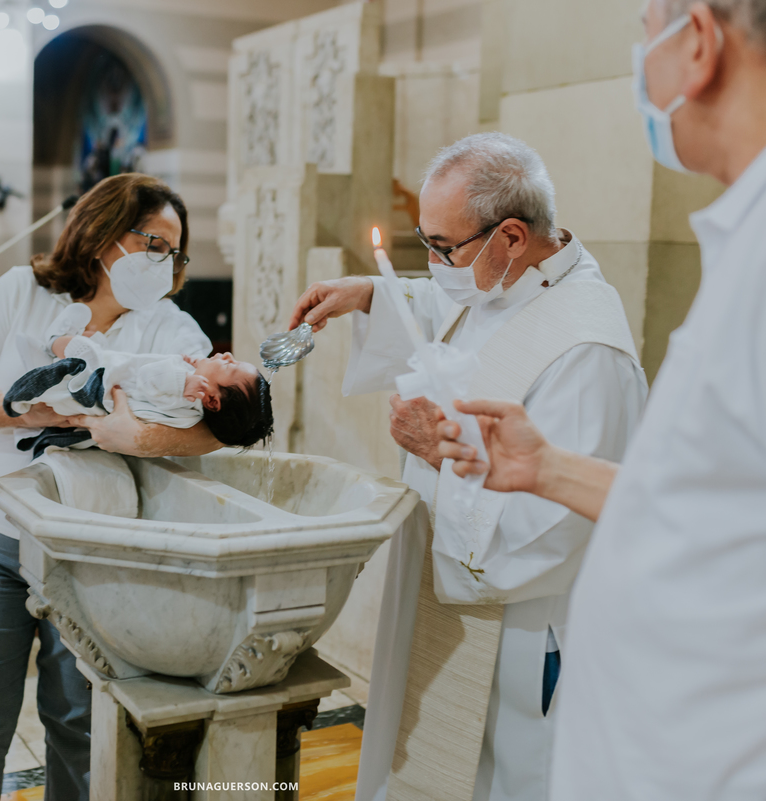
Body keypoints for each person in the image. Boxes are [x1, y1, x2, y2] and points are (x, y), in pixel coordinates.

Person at [427, 2, 766, 799]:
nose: (639, 57)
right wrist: (548, 469)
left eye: (647, 27)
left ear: (701, 43)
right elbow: (726, 511)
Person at [287, 133, 647, 801]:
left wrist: (438, 457)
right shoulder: (514, 276)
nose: (432, 262)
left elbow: (551, 530)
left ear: (510, 236)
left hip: (517, 635)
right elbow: (453, 304)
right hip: (447, 605)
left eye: (441, 246)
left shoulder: (586, 352)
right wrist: (369, 293)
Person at [0, 173, 221, 801]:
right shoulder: (23, 291)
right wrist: (26, 411)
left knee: (77, 723)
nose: (164, 263)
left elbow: (214, 430)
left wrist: (128, 434)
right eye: (153, 244)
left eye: (175, 252)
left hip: (88, 545)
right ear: (106, 233)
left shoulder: (172, 330)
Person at [2, 307, 272, 456]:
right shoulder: (192, 401)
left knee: (79, 356)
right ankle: (53, 348)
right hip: (105, 388)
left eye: (231, 367)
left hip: (99, 385)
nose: (227, 355)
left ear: (212, 401)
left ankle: (51, 343)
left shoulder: (186, 389)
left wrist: (182, 380)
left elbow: (148, 378)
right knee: (87, 351)